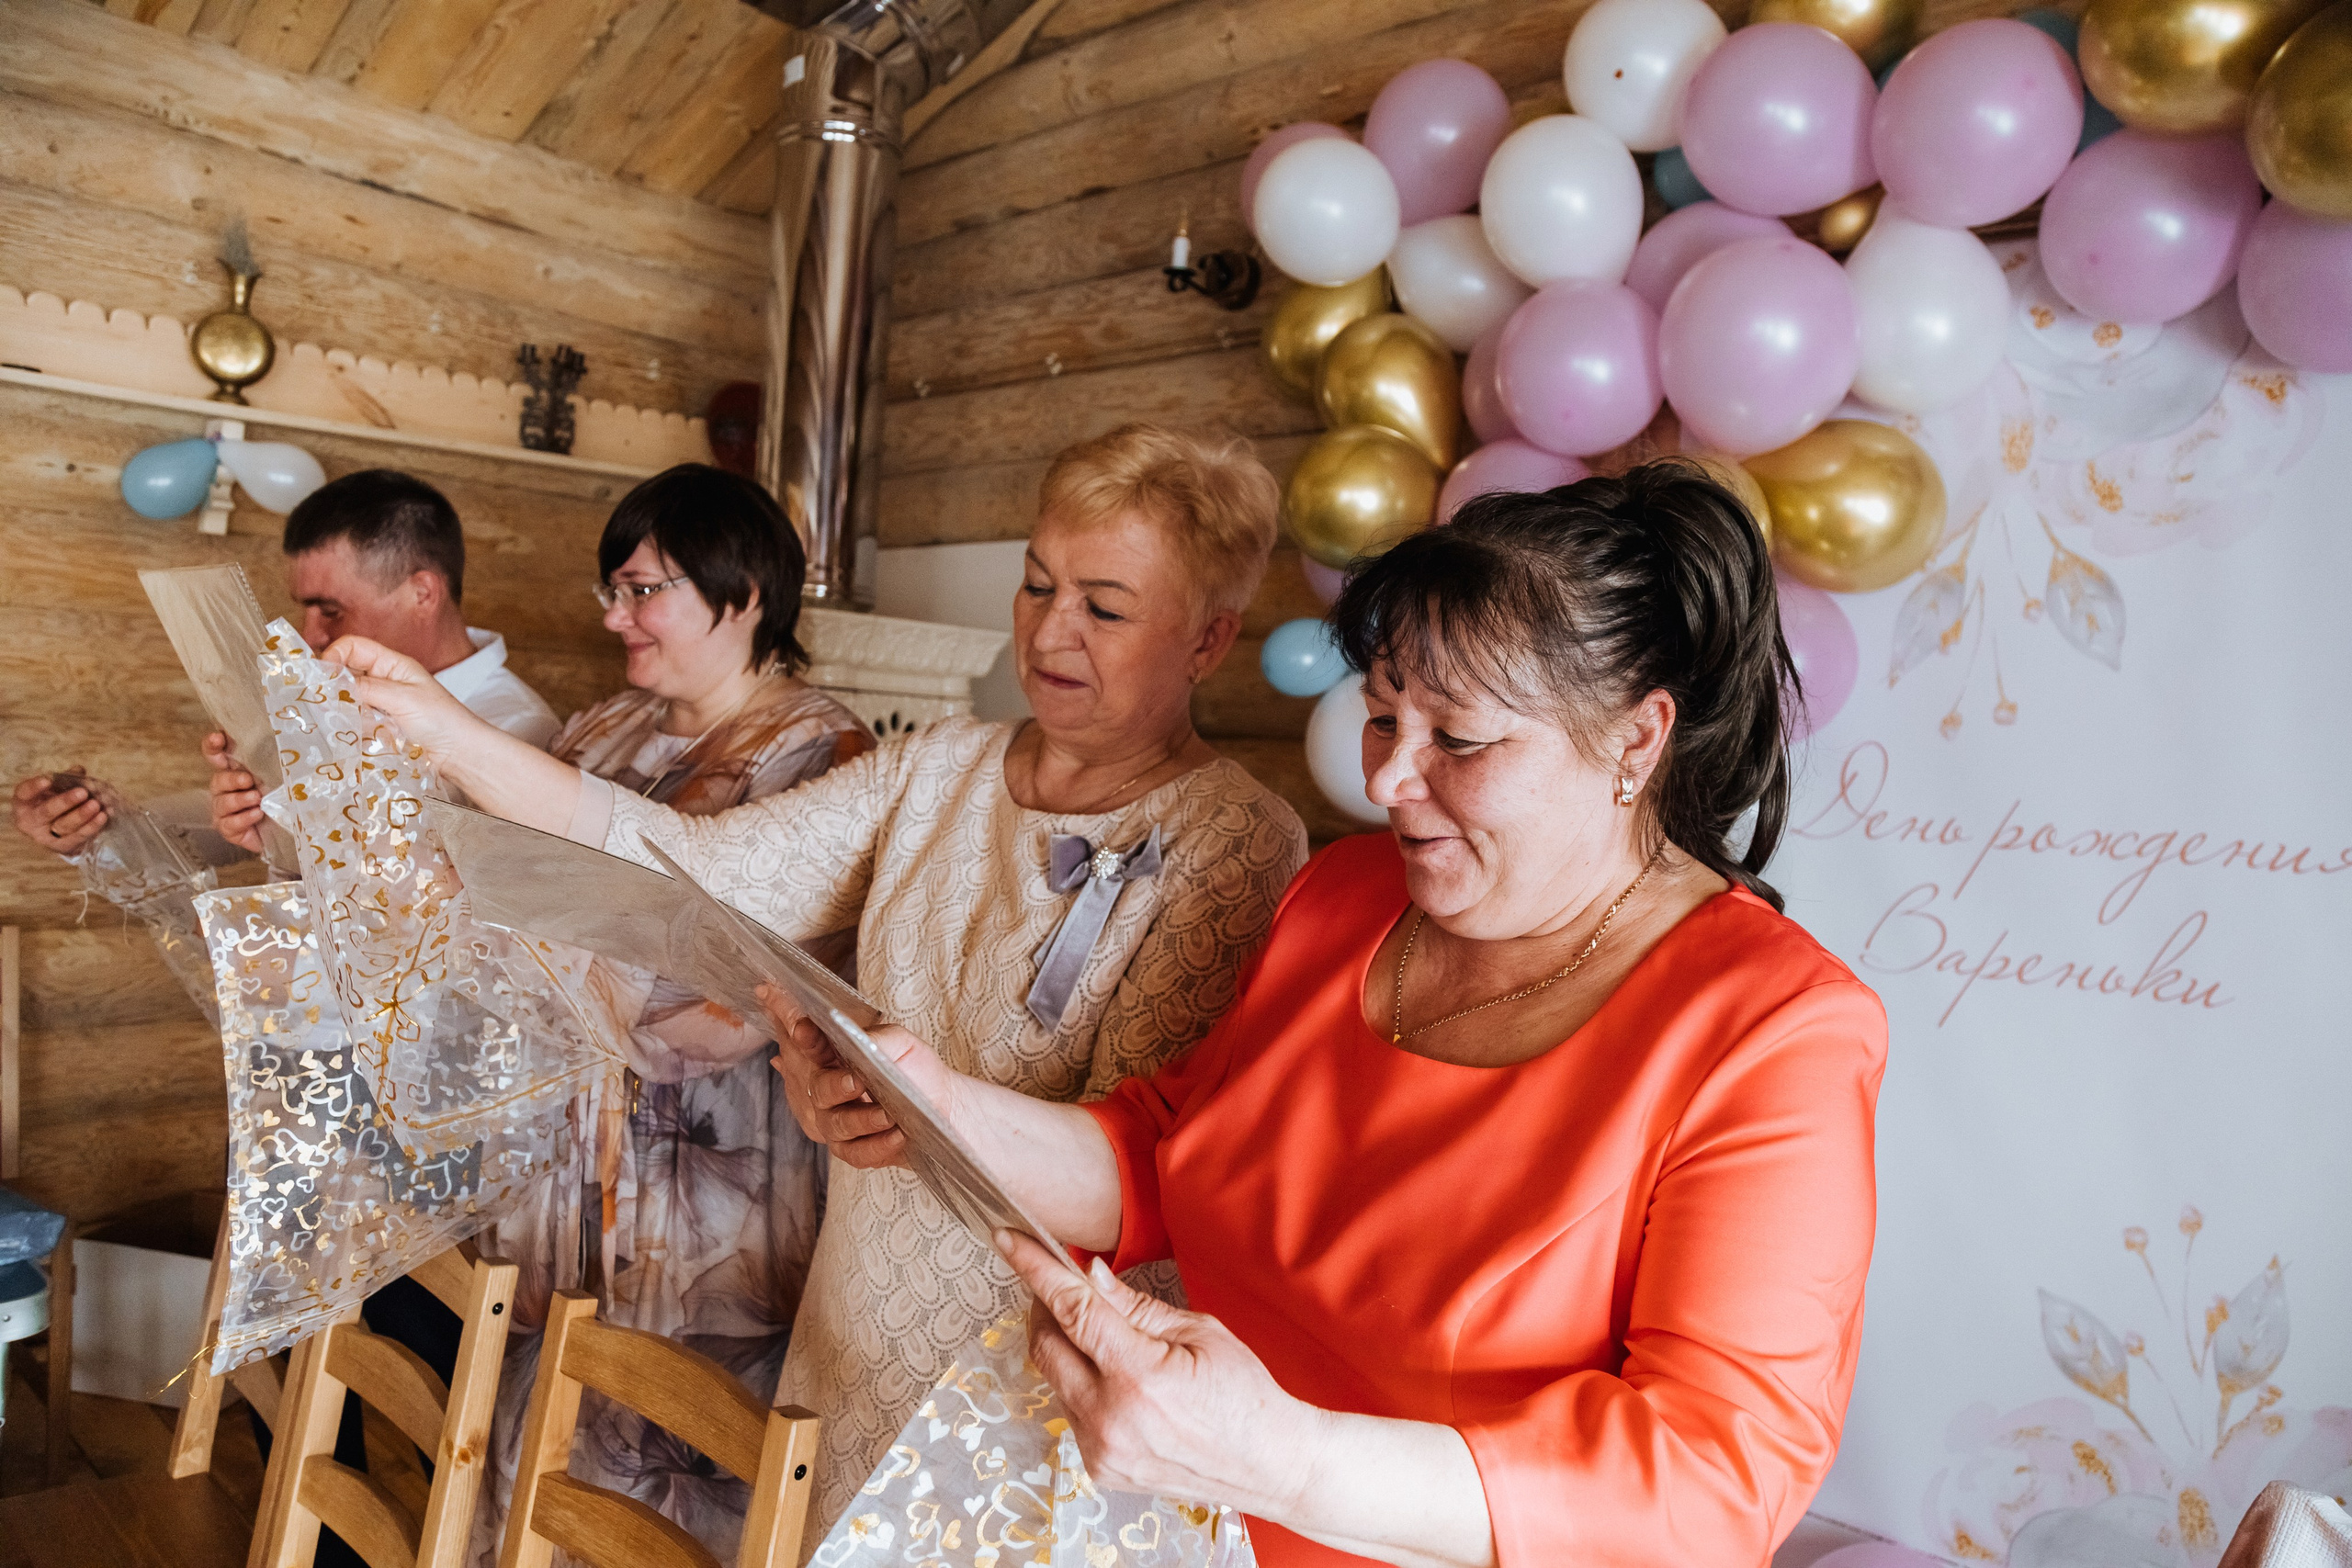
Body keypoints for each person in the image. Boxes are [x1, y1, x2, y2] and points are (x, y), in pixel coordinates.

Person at [771, 465, 1889, 1568]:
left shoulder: (1774, 1028)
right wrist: (933, 1104)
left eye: (1457, 740)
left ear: (1637, 742)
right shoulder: (1343, 898)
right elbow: (1169, 1153)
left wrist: (1283, 1462)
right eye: (1382, 719)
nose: (1391, 780)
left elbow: (1708, 1478)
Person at [287, 423, 1311, 1544]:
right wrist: (445, 731)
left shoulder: (1235, 836)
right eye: (1035, 584)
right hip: (851, 1310)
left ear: (1208, 639)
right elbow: (702, 871)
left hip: (1042, 1359)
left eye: (1103, 607)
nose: (1050, 628)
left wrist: (889, 1099)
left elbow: (1135, 1165)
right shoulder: (942, 763)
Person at [11, 468, 558, 861]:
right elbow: (240, 832)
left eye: (332, 610)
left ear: (421, 593)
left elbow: (451, 905)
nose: (310, 634)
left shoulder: (518, 731)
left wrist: (291, 820)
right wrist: (101, 830)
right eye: (304, 607)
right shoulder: (337, 695)